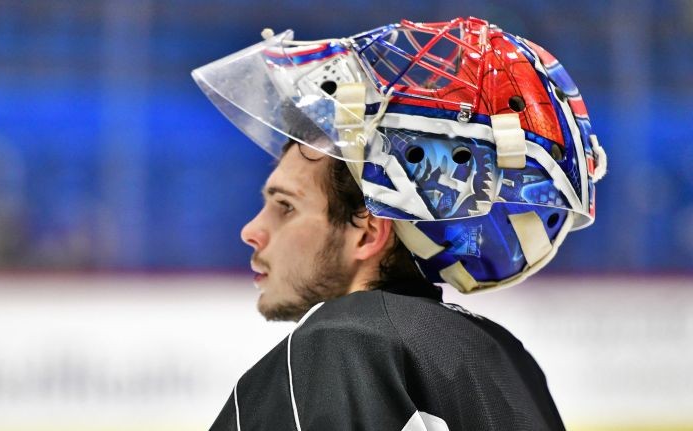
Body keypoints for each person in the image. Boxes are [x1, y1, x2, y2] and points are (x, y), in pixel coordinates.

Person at [192, 16, 607, 430]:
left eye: (286, 207)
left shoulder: (338, 343)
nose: (252, 231)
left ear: (369, 233)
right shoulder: (507, 361)